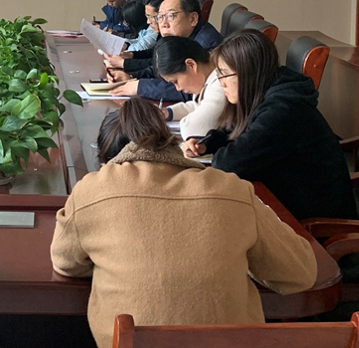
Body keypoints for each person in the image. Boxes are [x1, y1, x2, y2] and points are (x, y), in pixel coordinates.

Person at [50, 98, 317, 348]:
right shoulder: (233, 190)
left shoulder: (91, 191)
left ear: (105, 160)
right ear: (170, 141)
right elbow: (300, 272)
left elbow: (65, 262)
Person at [182, 30, 357, 221]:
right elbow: (236, 127)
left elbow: (228, 164)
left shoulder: (283, 110)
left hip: (315, 222)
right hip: (288, 202)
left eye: (223, 74)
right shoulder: (270, 87)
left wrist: (219, 152)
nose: (220, 83)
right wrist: (206, 143)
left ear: (248, 73)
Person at [109, 0, 222, 101]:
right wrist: (131, 77)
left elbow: (190, 89)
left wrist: (139, 86)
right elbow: (162, 68)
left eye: (170, 16)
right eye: (160, 17)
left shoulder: (208, 44)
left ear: (192, 19)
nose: (163, 24)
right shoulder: (181, 38)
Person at [153, 36, 226, 140]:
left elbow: (193, 129)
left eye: (176, 81)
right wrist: (168, 112)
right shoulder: (211, 72)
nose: (178, 88)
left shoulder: (222, 83)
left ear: (191, 65)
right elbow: (199, 106)